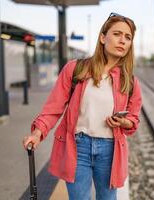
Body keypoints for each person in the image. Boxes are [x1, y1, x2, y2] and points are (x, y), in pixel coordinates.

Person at [22, 12, 142, 200]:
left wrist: (124, 122)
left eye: (128, 37)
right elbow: (53, 108)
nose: (123, 41)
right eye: (117, 34)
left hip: (110, 151)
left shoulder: (130, 81)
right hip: (78, 147)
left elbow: (133, 120)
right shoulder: (75, 69)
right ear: (103, 37)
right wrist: (38, 132)